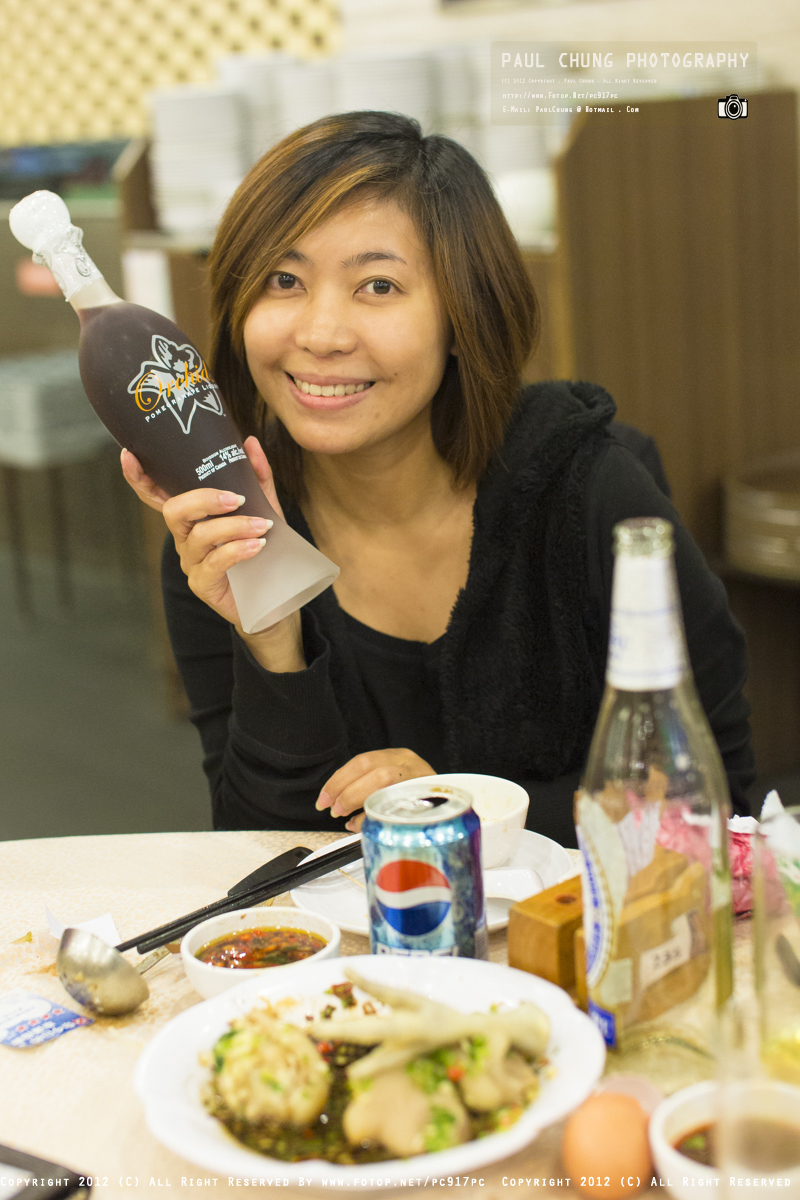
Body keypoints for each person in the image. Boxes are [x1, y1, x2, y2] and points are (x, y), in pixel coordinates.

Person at [122, 111, 754, 848]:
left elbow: (715, 800)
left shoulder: (587, 489)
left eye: (378, 285)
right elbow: (259, 857)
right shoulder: (228, 533)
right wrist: (273, 645)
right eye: (283, 280)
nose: (321, 334)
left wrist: (467, 808)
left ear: (462, 315)